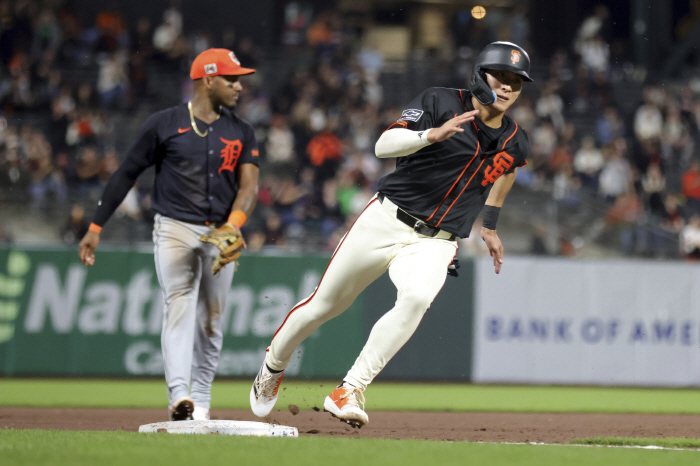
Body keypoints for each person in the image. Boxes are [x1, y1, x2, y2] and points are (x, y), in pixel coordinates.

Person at [250, 42, 532, 428]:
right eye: (502, 76)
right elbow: (384, 145)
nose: (508, 87)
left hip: (437, 240)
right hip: (386, 219)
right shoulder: (440, 100)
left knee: (416, 299)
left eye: (516, 81)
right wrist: (430, 135)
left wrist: (491, 223)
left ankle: (349, 389)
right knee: (325, 305)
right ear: (481, 74)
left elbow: (509, 167)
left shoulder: (516, 137)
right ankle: (272, 365)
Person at [78, 48, 260, 421]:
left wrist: (235, 223)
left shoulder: (241, 130)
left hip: (221, 232)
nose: (239, 86)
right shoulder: (164, 123)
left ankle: (202, 402)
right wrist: (96, 226)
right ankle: (180, 396)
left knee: (211, 318)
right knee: (178, 304)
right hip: (175, 227)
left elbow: (250, 188)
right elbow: (126, 173)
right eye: (231, 78)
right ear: (208, 79)